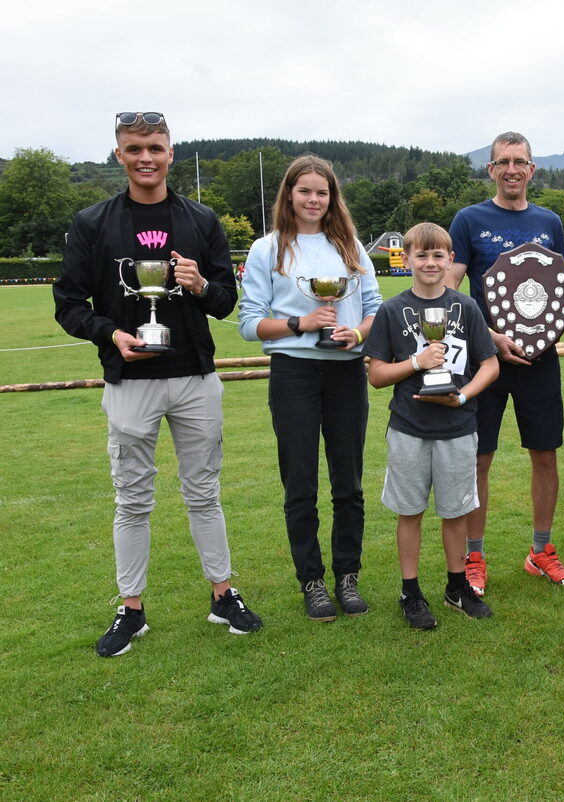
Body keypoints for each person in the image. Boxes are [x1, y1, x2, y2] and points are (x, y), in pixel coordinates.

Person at [53, 112, 262, 657]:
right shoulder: (92, 222)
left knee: (204, 492)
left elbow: (225, 302)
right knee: (132, 500)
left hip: (194, 376)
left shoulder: (202, 219)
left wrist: (197, 286)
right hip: (129, 379)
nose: (146, 157)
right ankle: (132, 607)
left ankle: (222, 593)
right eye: (135, 148)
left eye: (156, 147)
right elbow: (68, 305)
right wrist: (112, 334)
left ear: (171, 153)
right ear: (118, 154)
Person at [238, 155, 381, 621]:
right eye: (305, 191)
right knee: (299, 482)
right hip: (293, 374)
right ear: (290, 195)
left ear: (332, 196)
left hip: (345, 373)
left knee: (349, 483)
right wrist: (301, 323)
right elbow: (249, 323)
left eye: (322, 192)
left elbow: (375, 308)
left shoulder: (351, 246)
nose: (314, 200)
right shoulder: (267, 249)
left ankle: (347, 576)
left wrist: (356, 334)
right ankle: (313, 581)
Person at [447, 132, 564, 595]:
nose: (512, 169)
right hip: (484, 358)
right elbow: (450, 295)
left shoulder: (550, 221)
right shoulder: (468, 220)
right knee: (479, 457)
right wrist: (488, 336)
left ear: (532, 169)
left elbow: (556, 287)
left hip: (538, 360)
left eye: (520, 162)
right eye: (503, 161)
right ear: (490, 169)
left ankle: (540, 552)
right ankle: (474, 556)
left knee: (544, 454)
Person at [364, 223, 500, 629]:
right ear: (406, 260)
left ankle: (457, 586)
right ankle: (410, 591)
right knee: (411, 512)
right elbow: (376, 375)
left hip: (458, 426)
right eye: (421, 255)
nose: (429, 262)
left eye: (438, 255)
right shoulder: (391, 310)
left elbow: (489, 364)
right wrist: (415, 364)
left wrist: (462, 396)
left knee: (456, 512)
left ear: (450, 259)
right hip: (409, 428)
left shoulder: (466, 307)